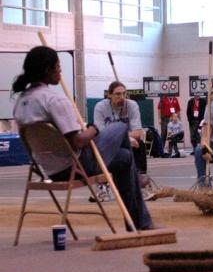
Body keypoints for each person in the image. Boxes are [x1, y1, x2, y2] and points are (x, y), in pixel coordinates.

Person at [12, 46, 154, 230]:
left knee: (125, 158)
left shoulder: (20, 103)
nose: (60, 70)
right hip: (78, 166)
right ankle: (138, 221)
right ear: (48, 70)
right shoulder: (53, 100)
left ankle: (138, 220)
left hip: (49, 170)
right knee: (119, 127)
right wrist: (93, 129)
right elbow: (77, 141)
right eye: (58, 66)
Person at [93, 81, 147, 177]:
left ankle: (139, 175)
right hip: (109, 144)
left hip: (130, 142)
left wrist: (125, 138)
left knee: (139, 144)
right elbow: (101, 135)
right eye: (118, 94)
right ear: (110, 95)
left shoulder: (132, 105)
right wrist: (126, 137)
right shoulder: (100, 107)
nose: (122, 97)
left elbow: (138, 133)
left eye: (124, 94)